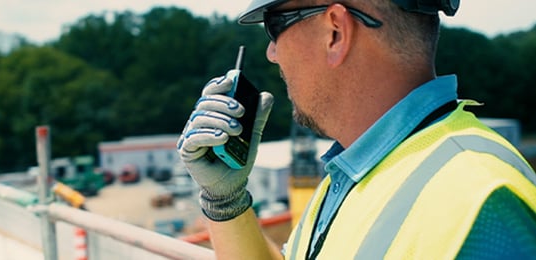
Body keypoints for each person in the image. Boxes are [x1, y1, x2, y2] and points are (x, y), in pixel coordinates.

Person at [177, 0, 536, 259]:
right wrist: (226, 203)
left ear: (335, 31)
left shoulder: (484, 205)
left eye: (275, 25)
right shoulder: (354, 174)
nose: (272, 52)